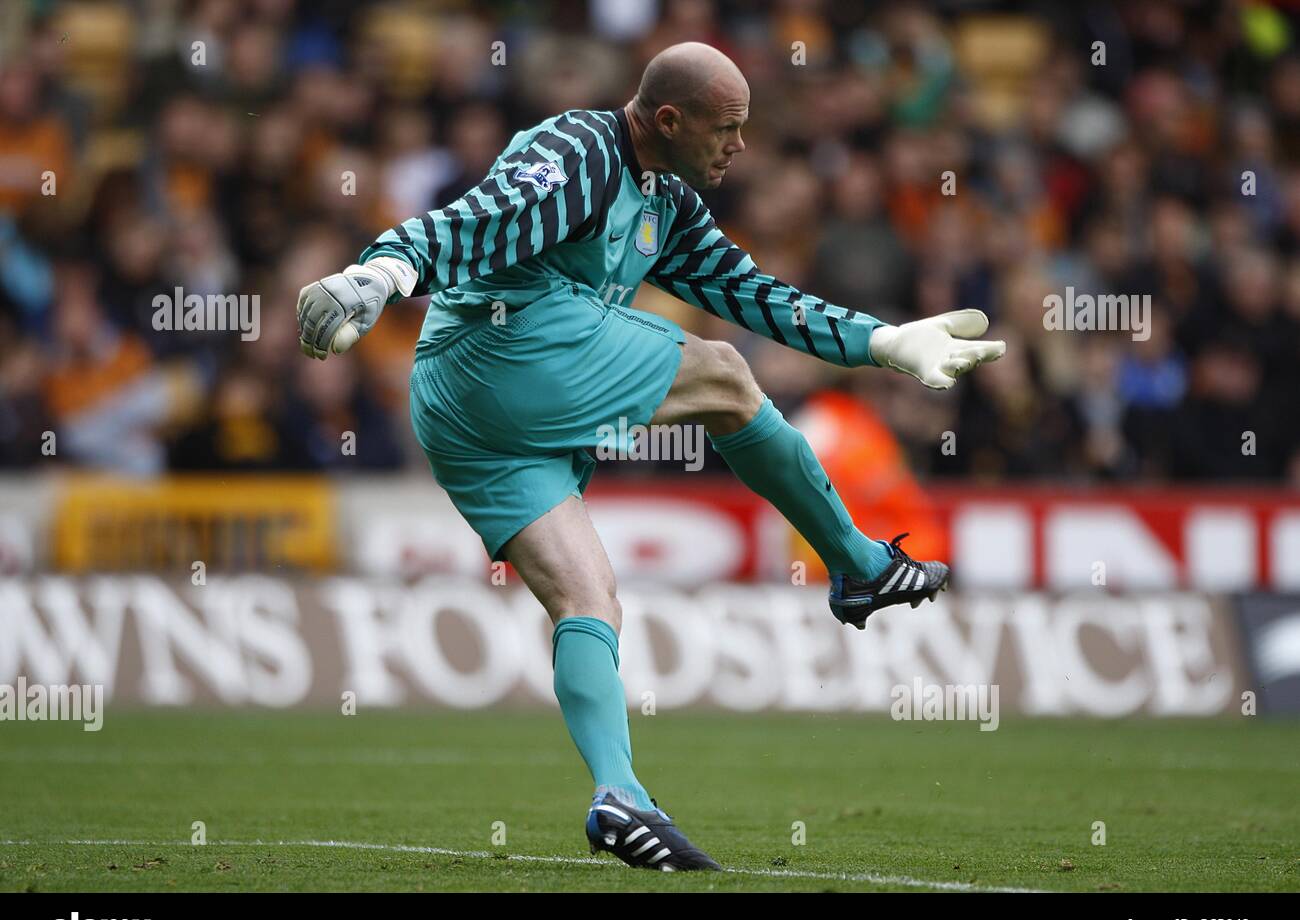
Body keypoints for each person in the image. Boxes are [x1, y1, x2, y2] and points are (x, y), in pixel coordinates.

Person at [295, 42, 1005, 872]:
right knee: (725, 376)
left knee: (586, 598)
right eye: (726, 128)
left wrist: (880, 341)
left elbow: (750, 292)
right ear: (668, 119)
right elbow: (474, 219)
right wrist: (378, 274)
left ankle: (618, 794)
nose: (739, 146)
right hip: (501, 355)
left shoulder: (668, 198)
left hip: (467, 420)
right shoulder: (578, 154)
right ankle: (856, 564)